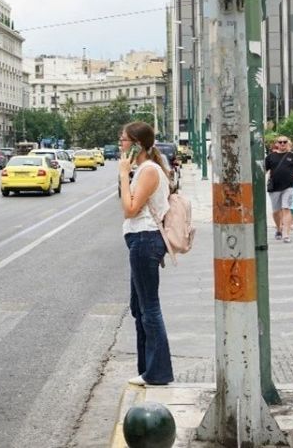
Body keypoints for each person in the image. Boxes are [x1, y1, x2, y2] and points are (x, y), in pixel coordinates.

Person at [117, 120, 173, 387]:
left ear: (137, 145)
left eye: (124, 141)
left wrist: (122, 174)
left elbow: (129, 209)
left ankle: (157, 372)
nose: (120, 145)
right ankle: (146, 369)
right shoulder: (144, 169)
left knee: (149, 307)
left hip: (145, 239)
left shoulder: (148, 171)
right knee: (139, 307)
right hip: (140, 240)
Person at [264, 135, 293, 243]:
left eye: (285, 142)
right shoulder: (270, 157)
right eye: (280, 142)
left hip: (289, 187)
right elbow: (263, 172)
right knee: (276, 211)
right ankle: (278, 228)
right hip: (274, 188)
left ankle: (286, 234)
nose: (282, 144)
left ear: (288, 143)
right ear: (276, 144)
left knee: (286, 208)